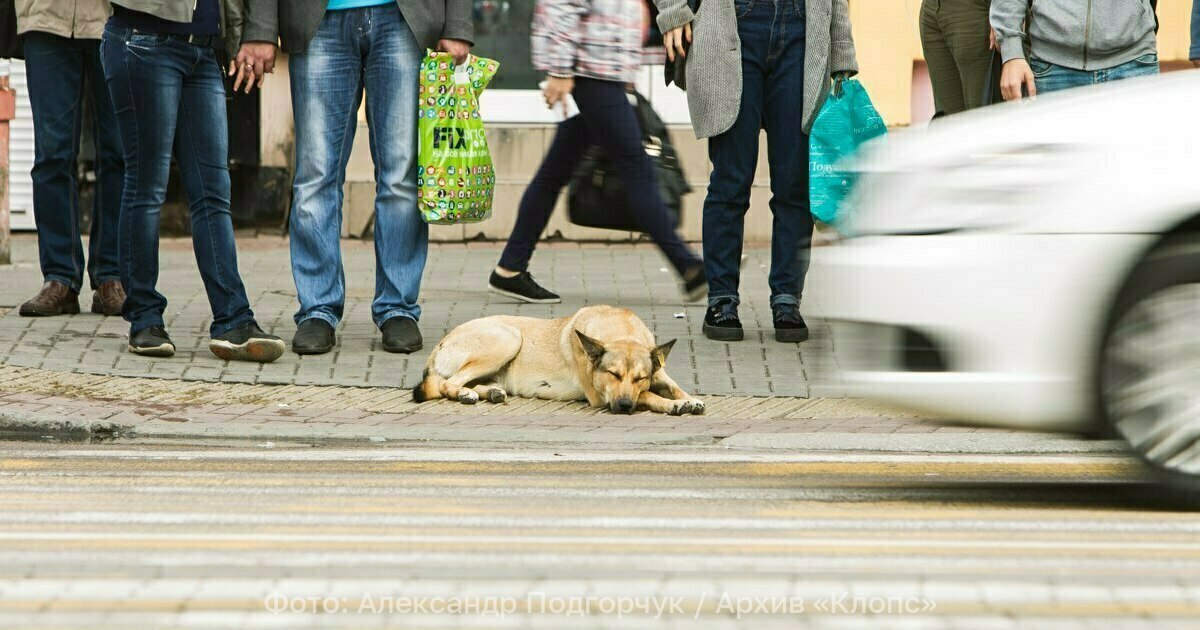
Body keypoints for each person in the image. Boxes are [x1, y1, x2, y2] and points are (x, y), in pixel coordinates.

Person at [239, 0, 474, 356]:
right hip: (318, 21)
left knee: (402, 177)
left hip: (404, 19)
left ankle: (398, 308)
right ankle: (317, 309)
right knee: (315, 177)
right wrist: (260, 28)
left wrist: (457, 24)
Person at [654, 0, 858, 343]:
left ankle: (787, 299)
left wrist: (841, 49)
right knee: (730, 181)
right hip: (734, 20)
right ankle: (722, 300)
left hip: (802, 27)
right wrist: (672, 10)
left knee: (794, 183)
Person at [101, 0, 285, 361]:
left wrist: (245, 36)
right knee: (147, 186)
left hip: (202, 51)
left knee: (214, 193)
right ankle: (144, 318)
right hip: (143, 41)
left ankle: (233, 319)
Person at [488, 0, 706, 306]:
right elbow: (560, 6)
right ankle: (689, 267)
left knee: (555, 172)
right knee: (637, 168)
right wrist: (561, 71)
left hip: (603, 71)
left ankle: (510, 267)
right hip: (591, 72)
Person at [15, 0, 125, 318]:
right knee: (52, 155)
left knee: (118, 154)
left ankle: (110, 276)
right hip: (45, 16)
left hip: (114, 16)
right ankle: (60, 278)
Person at [992, 0, 1159, 101]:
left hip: (1133, 62)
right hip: (1053, 67)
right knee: (1060, 160)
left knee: (1132, 158)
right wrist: (1011, 51)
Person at [919, 0, 996, 116]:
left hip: (974, 10)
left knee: (982, 118)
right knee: (947, 123)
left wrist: (1005, 17)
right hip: (931, 9)